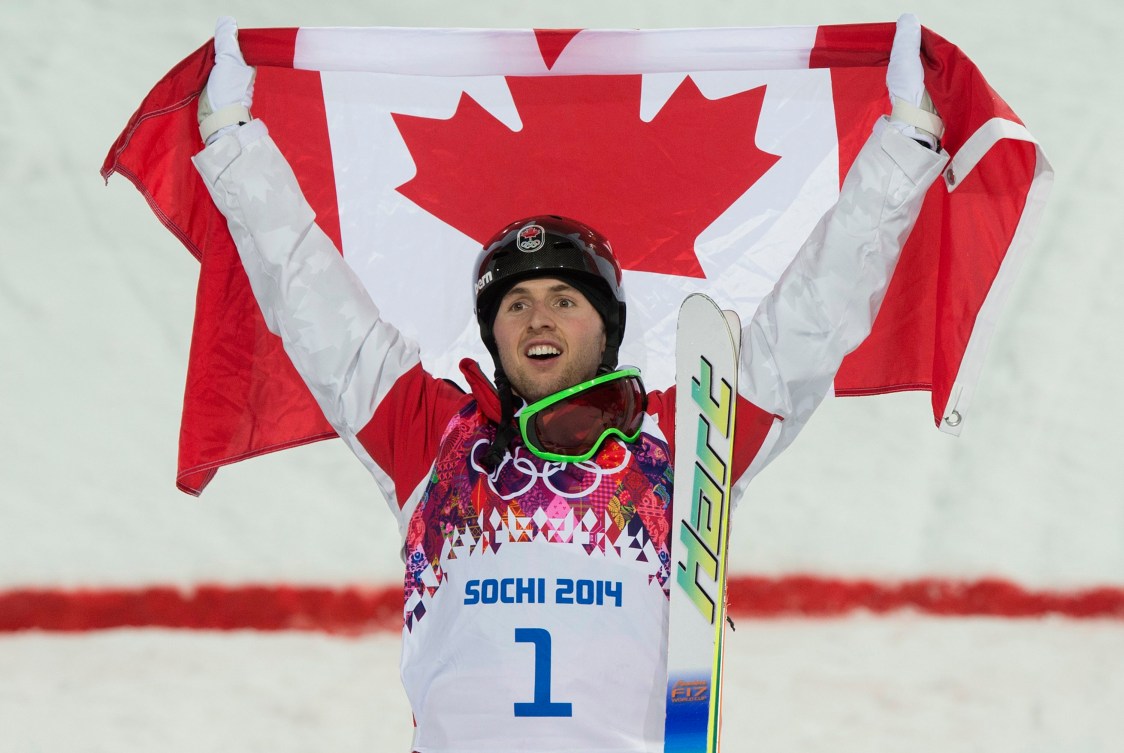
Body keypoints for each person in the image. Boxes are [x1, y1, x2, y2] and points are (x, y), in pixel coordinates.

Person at [192, 15, 948, 753]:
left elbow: (816, 313)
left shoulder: (689, 439)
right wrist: (233, 142)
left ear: (608, 326)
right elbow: (309, 295)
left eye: (564, 299)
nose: (536, 318)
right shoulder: (427, 437)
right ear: (492, 334)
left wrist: (903, 145)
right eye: (513, 304)